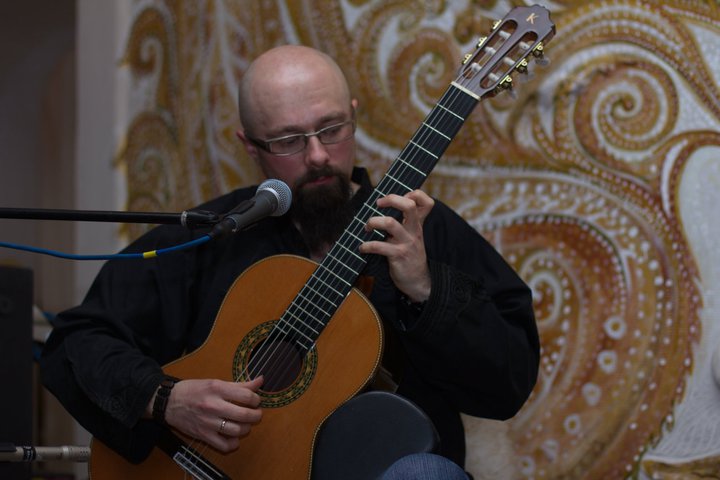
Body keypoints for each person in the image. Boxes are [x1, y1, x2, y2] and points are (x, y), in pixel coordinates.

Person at [40, 45, 539, 478]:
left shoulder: (417, 228)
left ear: (353, 116)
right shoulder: (214, 238)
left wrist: (426, 288)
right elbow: (77, 341)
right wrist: (164, 398)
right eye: (288, 140)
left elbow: (508, 382)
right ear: (250, 147)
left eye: (331, 129)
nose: (318, 155)